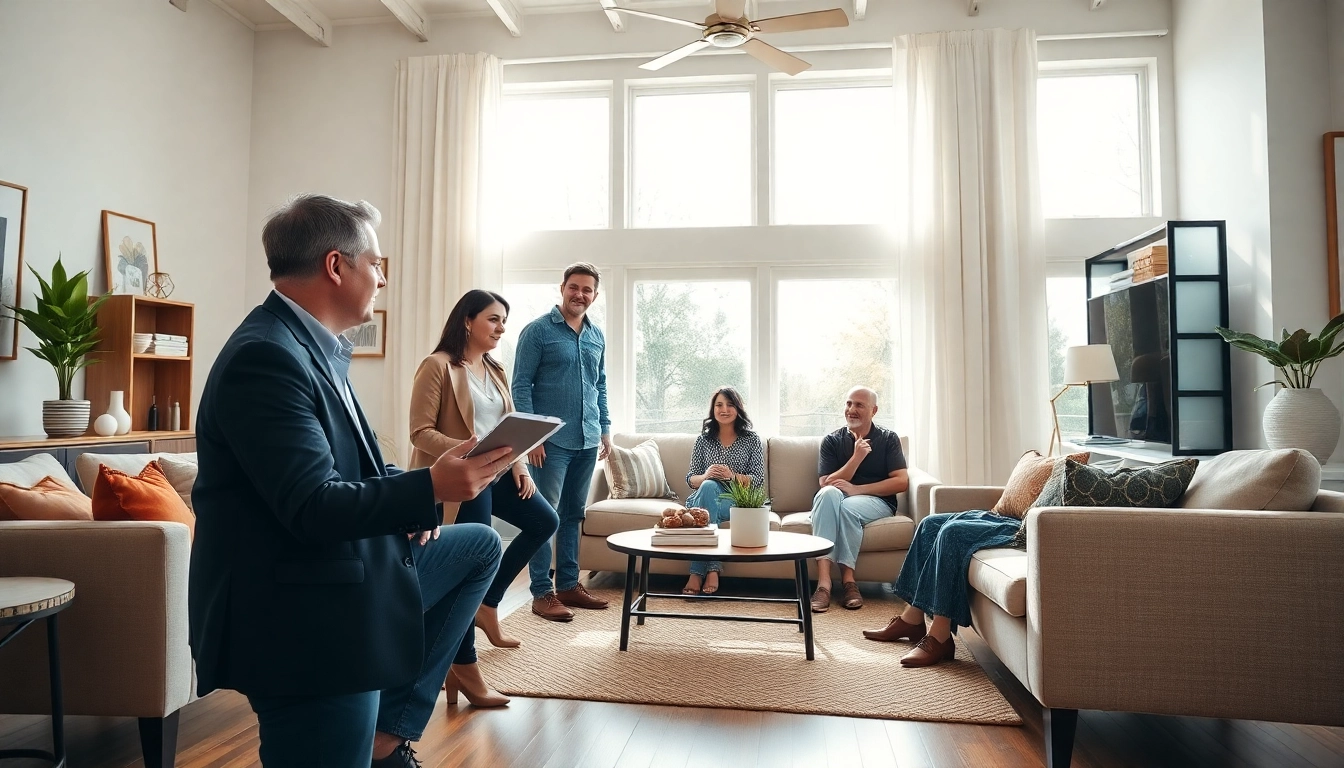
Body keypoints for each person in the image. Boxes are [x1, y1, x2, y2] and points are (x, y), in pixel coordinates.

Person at [189, 194, 514, 768]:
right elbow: (312, 504)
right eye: (377, 265)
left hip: (344, 572)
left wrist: (415, 500)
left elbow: (353, 468)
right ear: (336, 266)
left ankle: (389, 733)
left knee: (479, 547)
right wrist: (428, 489)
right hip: (305, 612)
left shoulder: (313, 347)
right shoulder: (264, 358)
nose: (383, 279)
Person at [408, 289, 560, 706]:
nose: (501, 328)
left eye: (503, 321)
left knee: (545, 522)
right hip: (463, 476)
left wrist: (520, 466)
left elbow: (508, 425)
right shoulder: (438, 366)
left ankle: (488, 603)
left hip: (499, 471)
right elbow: (420, 433)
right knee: (469, 565)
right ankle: (464, 664)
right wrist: (470, 452)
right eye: (493, 319)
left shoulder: (495, 369)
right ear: (467, 320)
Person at [512, 262, 613, 621]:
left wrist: (605, 428)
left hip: (587, 439)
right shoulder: (537, 331)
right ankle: (542, 591)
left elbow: (600, 385)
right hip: (550, 443)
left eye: (587, 290)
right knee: (545, 516)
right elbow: (520, 385)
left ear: (594, 296)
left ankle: (569, 584)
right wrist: (531, 437)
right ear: (562, 288)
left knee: (573, 515)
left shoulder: (596, 335)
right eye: (574, 287)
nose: (579, 294)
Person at [861, 510, 1020, 667]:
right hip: (1001, 515)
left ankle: (940, 636)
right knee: (929, 524)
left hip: (1023, 525)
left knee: (952, 533)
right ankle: (912, 618)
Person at [809, 386, 909, 613]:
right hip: (837, 497)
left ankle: (848, 581)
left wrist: (857, 489)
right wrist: (856, 458)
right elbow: (826, 483)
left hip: (876, 500)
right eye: (849, 403)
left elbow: (901, 482)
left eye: (859, 405)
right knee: (827, 494)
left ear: (874, 410)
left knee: (847, 507)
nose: (851, 409)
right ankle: (824, 584)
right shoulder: (832, 440)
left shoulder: (888, 439)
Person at [680, 387, 765, 596]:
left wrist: (731, 476)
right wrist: (706, 475)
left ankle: (696, 572)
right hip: (703, 495)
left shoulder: (751, 440)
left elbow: (758, 480)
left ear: (738, 408)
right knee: (708, 486)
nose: (724, 409)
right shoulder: (703, 440)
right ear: (713, 409)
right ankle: (713, 568)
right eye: (719, 405)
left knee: (707, 503)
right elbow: (691, 479)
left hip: (734, 501)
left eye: (729, 405)